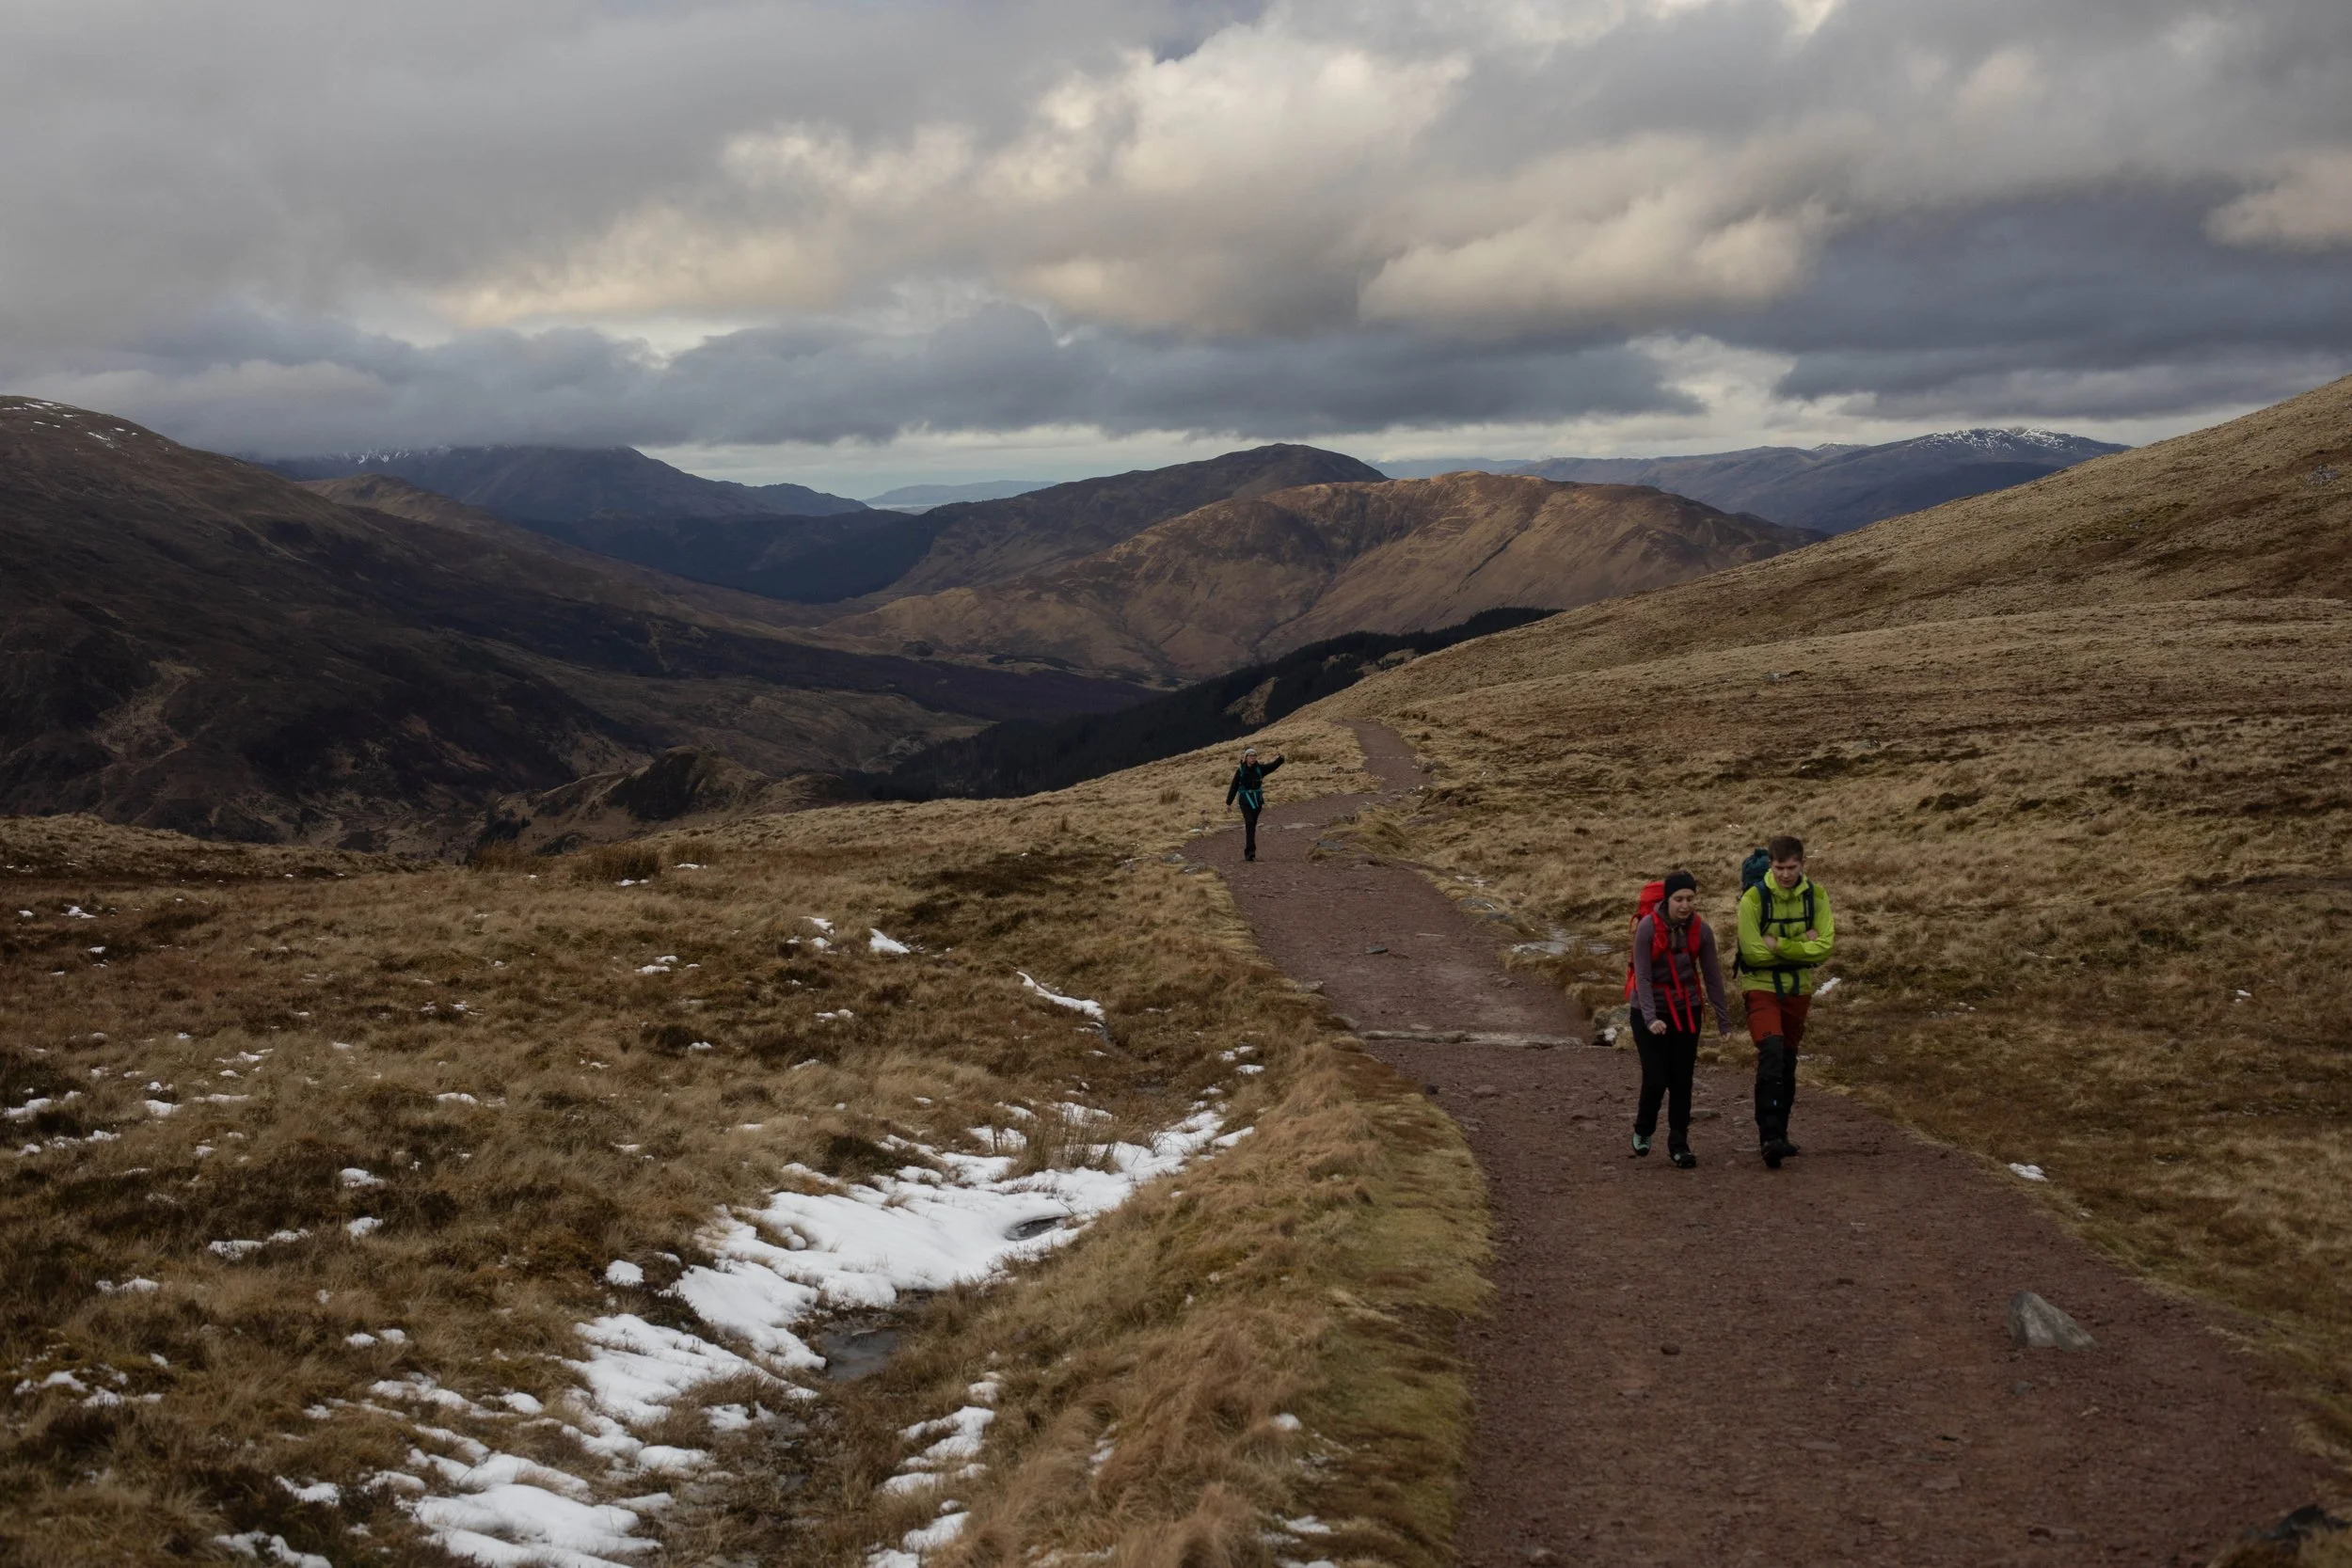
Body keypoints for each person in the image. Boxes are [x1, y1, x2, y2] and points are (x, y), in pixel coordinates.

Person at [1736, 834, 1835, 1169]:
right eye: (1779, 867)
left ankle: (1782, 1133)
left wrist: (1778, 945)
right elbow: (1752, 952)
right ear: (1771, 865)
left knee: (1788, 1060)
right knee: (1772, 1052)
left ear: (1802, 864)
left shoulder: (1816, 896)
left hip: (1798, 990)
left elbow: (1824, 947)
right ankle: (1769, 1136)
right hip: (1760, 987)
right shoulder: (1752, 899)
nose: (1785, 874)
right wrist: (1801, 946)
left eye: (1792, 867)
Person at [1629, 869, 1731, 1168]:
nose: (1685, 905)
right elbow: (1643, 977)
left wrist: (1724, 1021)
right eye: (1679, 899)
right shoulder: (1648, 928)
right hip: (1647, 1011)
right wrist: (1649, 1019)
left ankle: (1679, 1143)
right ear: (1667, 899)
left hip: (1687, 1011)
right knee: (1656, 1077)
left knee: (1682, 1080)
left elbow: (1713, 979)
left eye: (1690, 899)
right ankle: (1644, 1129)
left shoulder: (1703, 931)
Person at [1225, 745, 1284, 862]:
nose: (1253, 757)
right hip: (1244, 800)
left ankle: (1251, 851)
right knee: (1249, 822)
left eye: (1254, 755)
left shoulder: (1260, 769)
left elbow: (1272, 766)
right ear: (1246, 757)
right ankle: (1250, 852)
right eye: (1250, 755)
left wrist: (1280, 759)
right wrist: (1229, 803)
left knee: (1252, 825)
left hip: (1257, 801)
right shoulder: (1241, 771)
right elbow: (1234, 786)